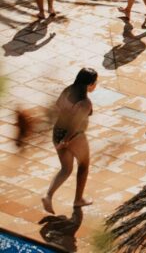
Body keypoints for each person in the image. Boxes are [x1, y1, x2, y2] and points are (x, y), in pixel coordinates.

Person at [43, 68, 97, 214]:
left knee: (66, 169)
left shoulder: (67, 90)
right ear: (90, 84)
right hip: (74, 137)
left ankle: (48, 196)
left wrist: (60, 138)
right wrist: (66, 141)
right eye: (95, 82)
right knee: (83, 165)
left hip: (57, 131)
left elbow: (57, 107)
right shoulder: (85, 103)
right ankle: (78, 199)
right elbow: (75, 125)